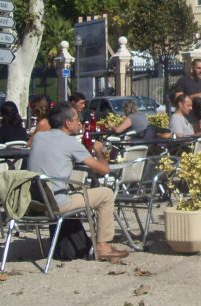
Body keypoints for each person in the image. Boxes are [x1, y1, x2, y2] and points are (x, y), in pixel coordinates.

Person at [28, 103, 127, 261]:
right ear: (68, 123)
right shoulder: (71, 143)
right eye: (77, 120)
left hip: (34, 200)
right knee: (106, 194)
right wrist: (99, 151)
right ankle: (102, 246)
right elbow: (104, 170)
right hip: (56, 203)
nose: (79, 123)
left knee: (70, 188)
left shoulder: (38, 137)